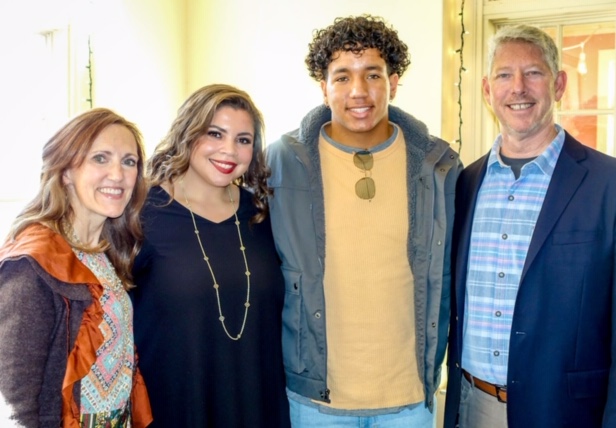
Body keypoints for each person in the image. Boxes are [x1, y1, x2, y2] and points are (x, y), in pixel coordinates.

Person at [266, 14, 462, 427]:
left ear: (393, 83)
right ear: (324, 87)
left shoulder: (437, 165)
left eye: (372, 74)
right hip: (316, 399)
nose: (358, 91)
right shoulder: (283, 161)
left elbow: (450, 274)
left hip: (409, 399)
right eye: (342, 77)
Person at [443, 24, 616, 428]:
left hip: (566, 414)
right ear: (487, 90)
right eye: (504, 75)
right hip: (471, 406)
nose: (518, 87)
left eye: (533, 72)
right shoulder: (464, 183)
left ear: (559, 84)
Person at [130, 84, 290, 427]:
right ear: (188, 133)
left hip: (258, 405)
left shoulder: (262, 214)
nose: (229, 150)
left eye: (243, 140)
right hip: (176, 409)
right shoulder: (140, 213)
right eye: (215, 134)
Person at [0, 108, 152, 427]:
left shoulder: (105, 251)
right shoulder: (33, 263)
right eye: (100, 158)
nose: (118, 174)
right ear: (66, 171)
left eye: (129, 161)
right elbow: (13, 399)